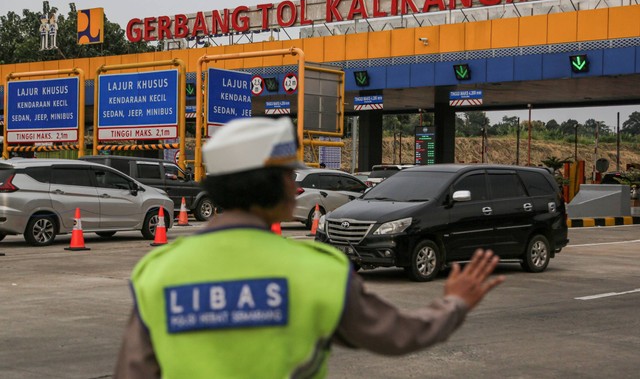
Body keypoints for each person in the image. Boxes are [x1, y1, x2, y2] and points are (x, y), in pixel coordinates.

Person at [114, 117, 505, 379]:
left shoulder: (159, 273)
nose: (295, 186)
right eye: (289, 175)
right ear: (274, 184)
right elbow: (398, 335)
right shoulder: (319, 272)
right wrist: (454, 303)